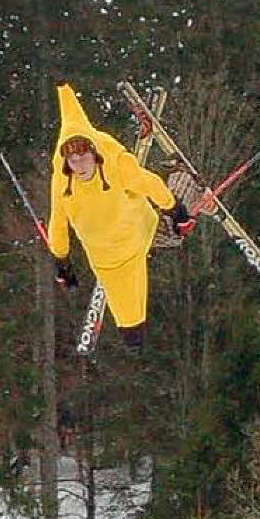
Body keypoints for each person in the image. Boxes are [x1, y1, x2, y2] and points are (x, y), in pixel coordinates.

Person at [47, 83, 195, 352]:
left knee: (176, 237)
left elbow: (148, 183)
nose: (79, 164)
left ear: (94, 154)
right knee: (130, 322)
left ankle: (184, 180)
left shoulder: (116, 166)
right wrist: (61, 261)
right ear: (65, 162)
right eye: (73, 160)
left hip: (143, 230)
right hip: (107, 259)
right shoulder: (62, 184)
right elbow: (57, 224)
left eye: (83, 156)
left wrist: (177, 211)